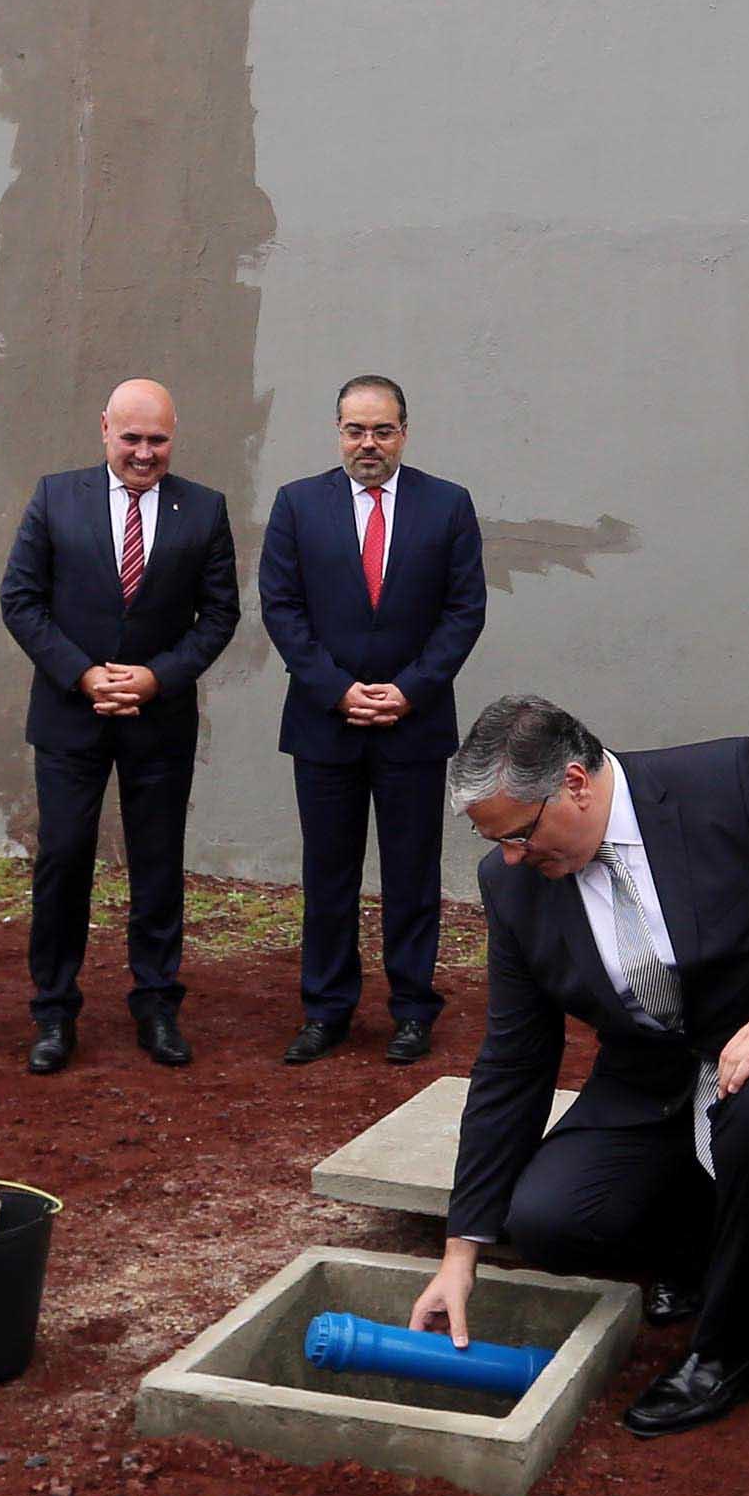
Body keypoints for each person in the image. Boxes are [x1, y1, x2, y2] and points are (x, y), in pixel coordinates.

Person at [409, 696, 749, 1435]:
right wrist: (462, 1248)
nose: (514, 859)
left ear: (576, 784)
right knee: (550, 1224)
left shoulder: (725, 783)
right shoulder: (513, 882)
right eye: (498, 845)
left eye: (521, 835)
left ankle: (729, 1348)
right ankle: (700, 1248)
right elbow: (513, 1061)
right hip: (655, 1068)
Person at [0, 378, 240, 1074]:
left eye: (156, 440)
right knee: (63, 860)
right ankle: (53, 1011)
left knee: (158, 867)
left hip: (158, 720)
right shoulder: (54, 496)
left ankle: (157, 1004)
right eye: (130, 438)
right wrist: (82, 674)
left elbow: (218, 614)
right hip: (70, 716)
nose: (143, 453)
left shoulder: (203, 510)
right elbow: (21, 600)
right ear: (105, 429)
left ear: (173, 436)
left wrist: (155, 676)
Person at [257, 375, 486, 1066]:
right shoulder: (298, 505)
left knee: (411, 873)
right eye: (355, 430)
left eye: (381, 430)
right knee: (328, 873)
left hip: (411, 726)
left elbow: (462, 611)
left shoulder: (446, 506)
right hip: (325, 723)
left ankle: (412, 1010)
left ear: (403, 433)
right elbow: (282, 608)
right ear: (337, 432)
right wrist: (338, 690)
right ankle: (326, 1010)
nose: (368, 444)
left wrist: (408, 690)